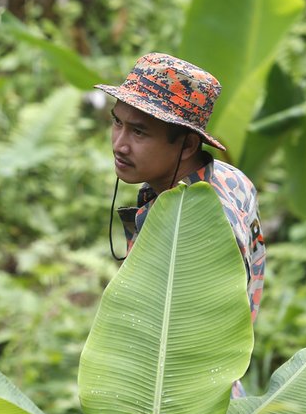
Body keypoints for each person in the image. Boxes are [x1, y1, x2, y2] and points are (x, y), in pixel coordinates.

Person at [96, 52, 266, 328]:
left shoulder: (199, 226)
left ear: (187, 146)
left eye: (139, 132)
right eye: (118, 123)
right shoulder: (230, 177)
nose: (120, 145)